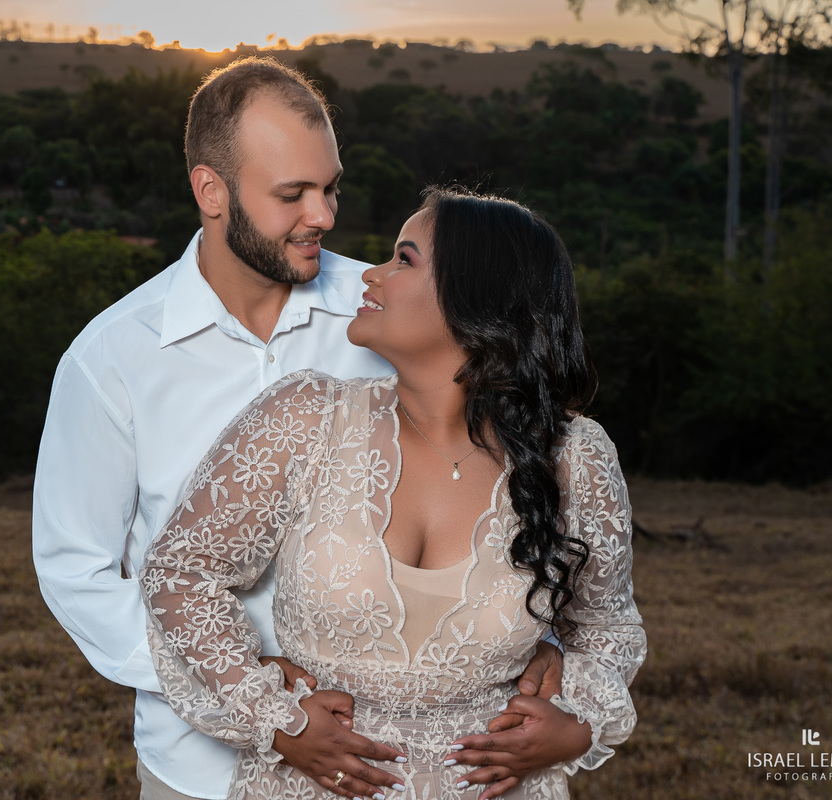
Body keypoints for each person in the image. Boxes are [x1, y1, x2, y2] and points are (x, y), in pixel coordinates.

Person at [33, 58, 567, 800]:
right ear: (211, 191)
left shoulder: (393, 315)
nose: (323, 215)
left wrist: (533, 637)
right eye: (293, 195)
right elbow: (77, 571)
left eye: (331, 187)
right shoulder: (112, 358)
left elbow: (505, 480)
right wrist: (251, 698)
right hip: (194, 770)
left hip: (400, 767)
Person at [140, 188, 646, 800]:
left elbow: (605, 628)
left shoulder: (574, 458)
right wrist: (275, 718)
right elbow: (180, 570)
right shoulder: (307, 419)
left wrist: (578, 726)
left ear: (474, 300)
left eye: (404, 259)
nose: (372, 274)